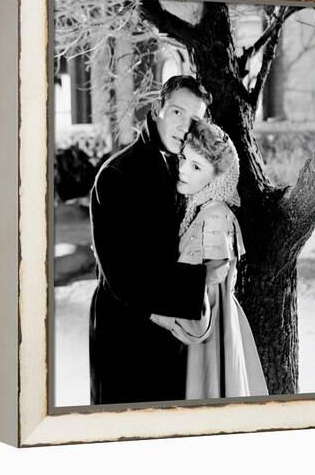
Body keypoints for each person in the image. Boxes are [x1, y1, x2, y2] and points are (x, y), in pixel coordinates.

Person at [89, 75, 219, 405]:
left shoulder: (186, 172)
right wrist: (203, 278)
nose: (184, 126)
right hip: (125, 337)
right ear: (158, 109)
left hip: (170, 334)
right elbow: (124, 275)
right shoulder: (116, 175)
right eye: (177, 112)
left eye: (194, 119)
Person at [150, 119, 269, 399]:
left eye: (196, 166)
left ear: (217, 178)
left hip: (208, 336)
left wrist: (154, 314)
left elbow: (208, 296)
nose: (182, 170)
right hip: (206, 327)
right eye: (184, 159)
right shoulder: (200, 209)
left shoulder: (215, 216)